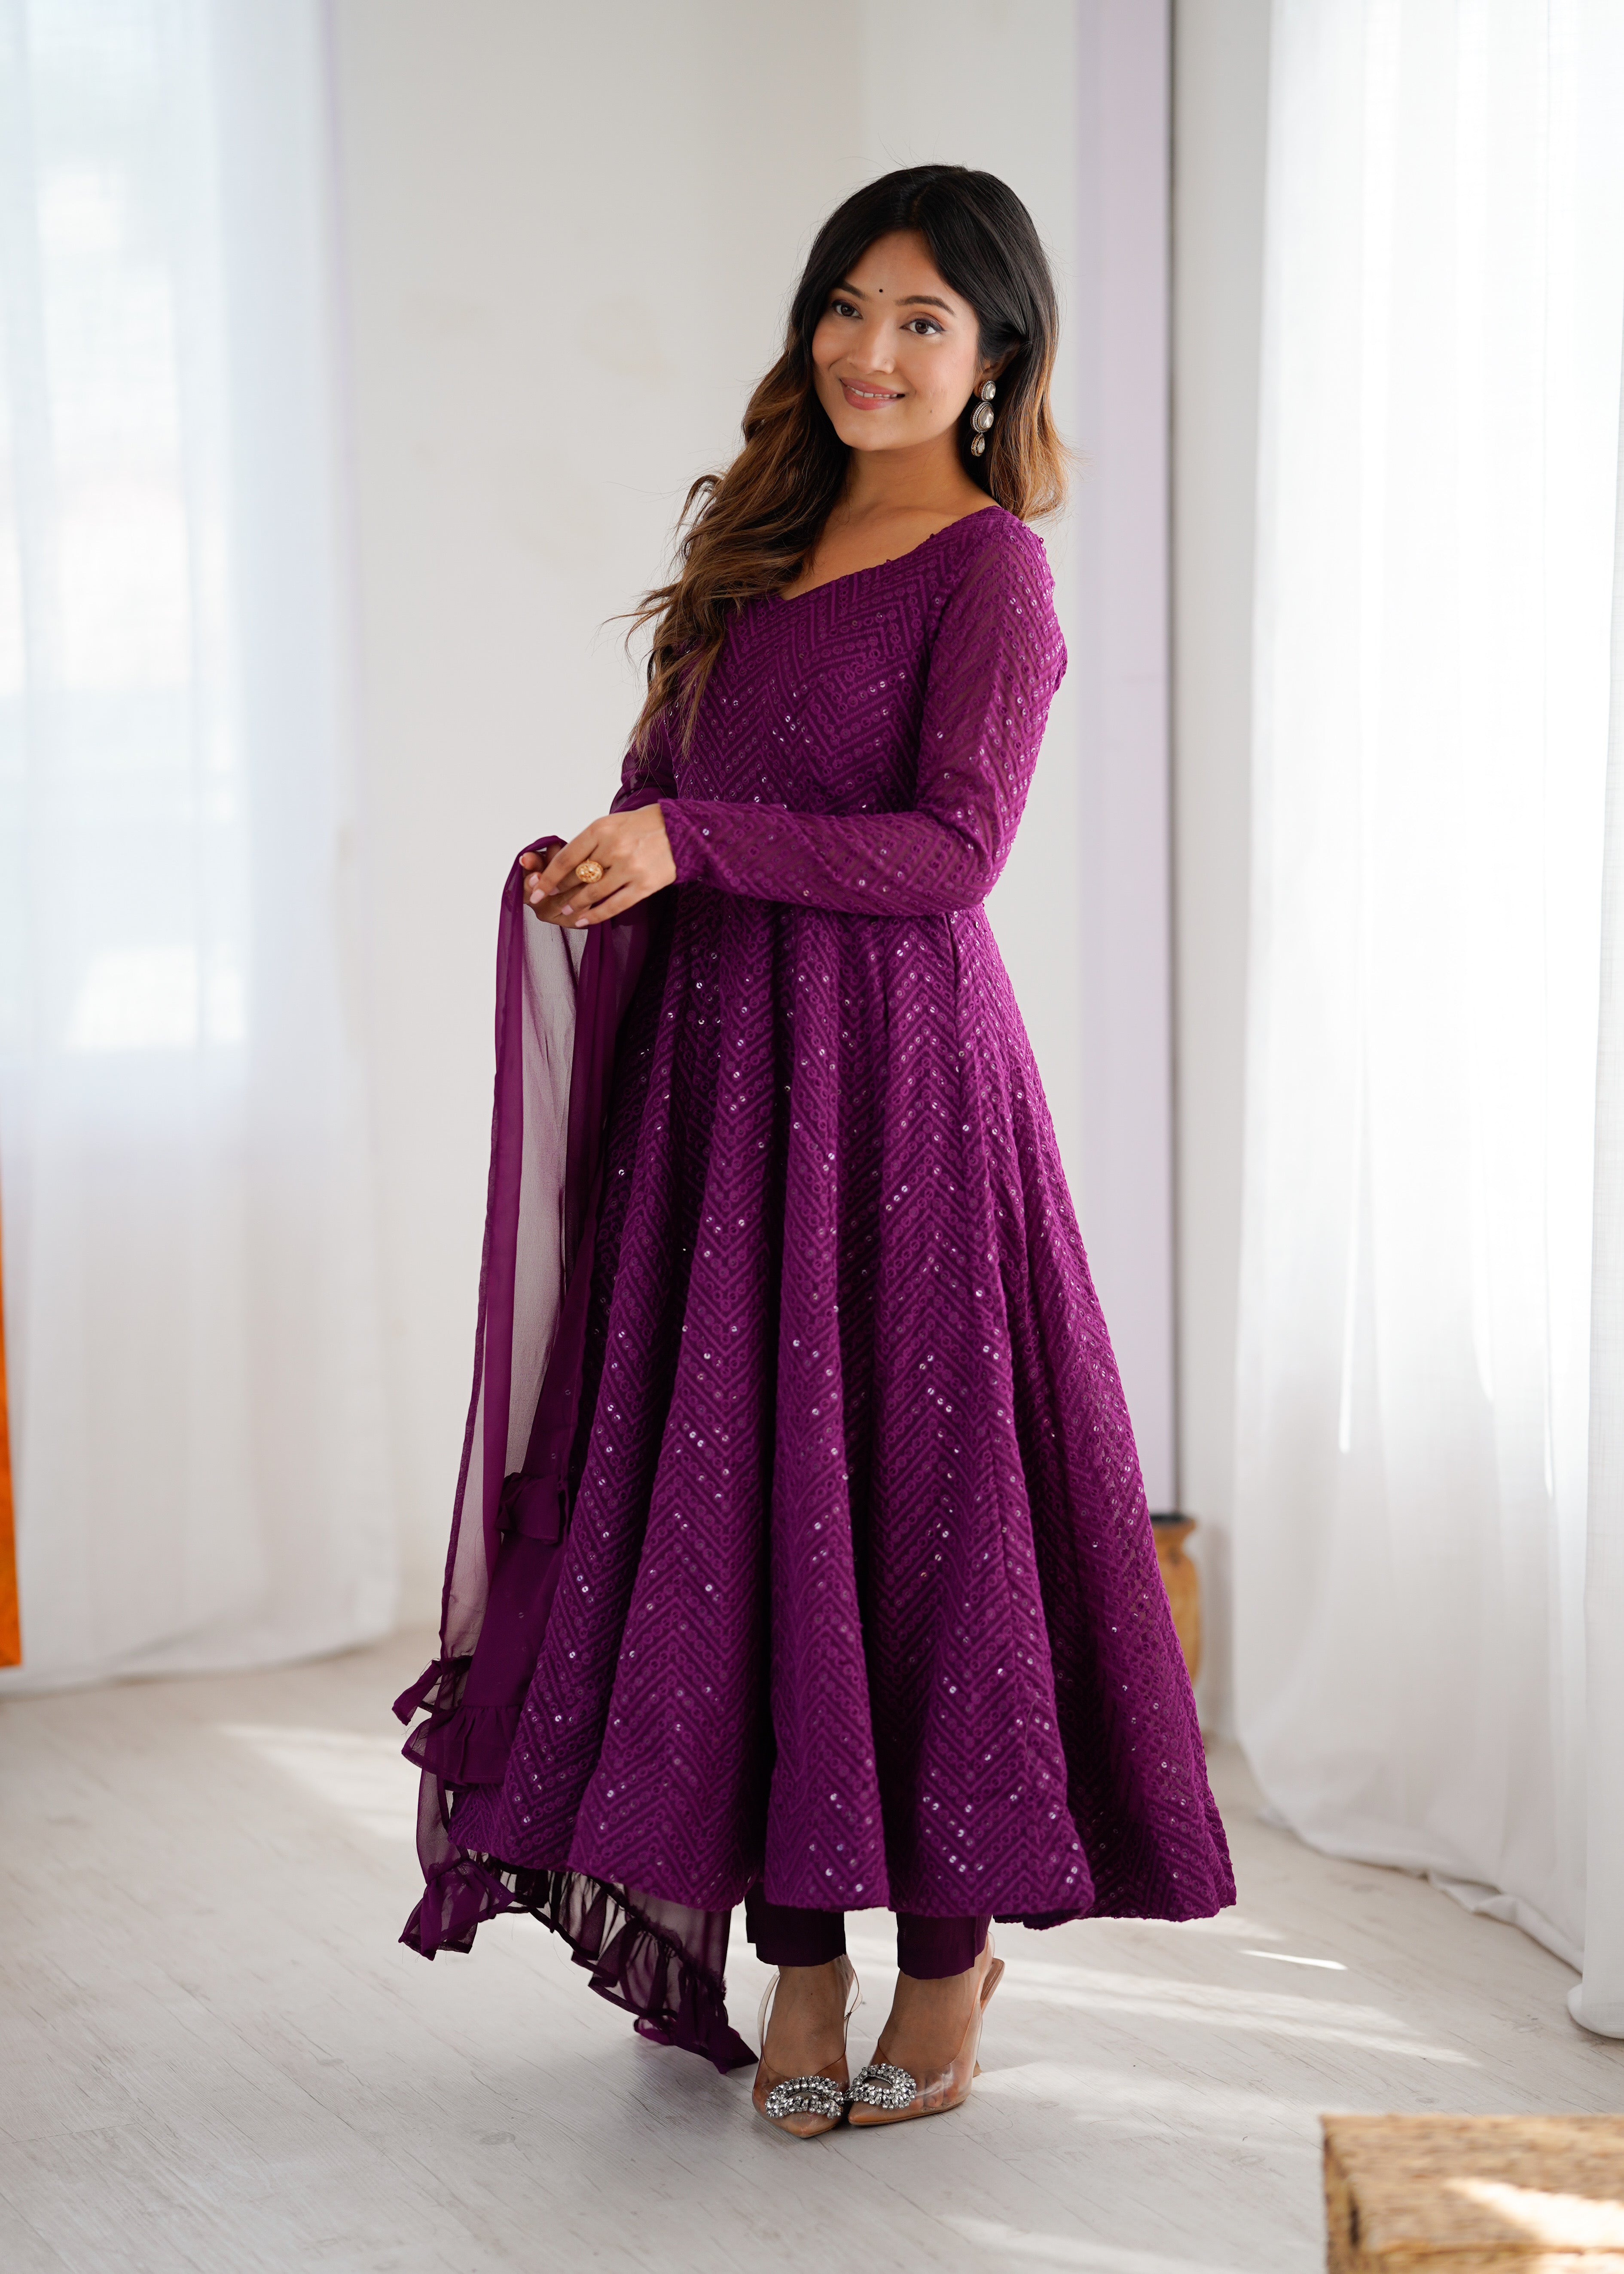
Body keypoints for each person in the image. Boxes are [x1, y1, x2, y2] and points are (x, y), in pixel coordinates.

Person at [395, 163, 1233, 2140]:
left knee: (919, 1516)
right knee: (749, 1516)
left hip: (903, 1104)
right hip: (720, 1104)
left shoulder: (990, 569)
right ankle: (801, 1957)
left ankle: (943, 1964)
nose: (870, 350)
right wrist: (609, 850)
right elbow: (669, 789)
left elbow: (958, 857)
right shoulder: (758, 536)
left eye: (923, 321)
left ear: (995, 356)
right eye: (847, 306)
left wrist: (696, 845)